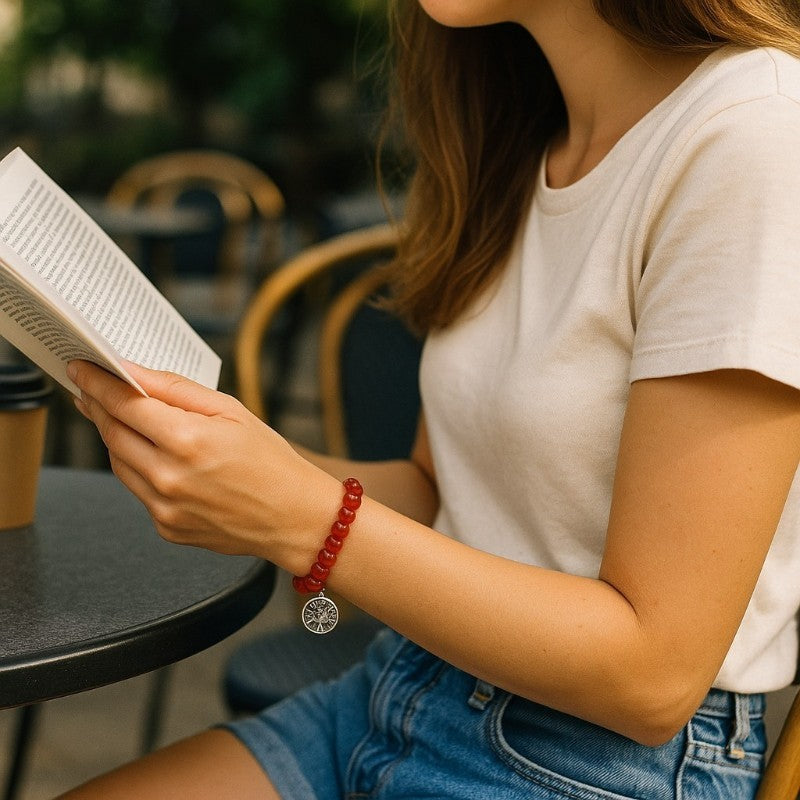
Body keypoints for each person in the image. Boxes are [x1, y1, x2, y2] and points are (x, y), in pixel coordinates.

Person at [59, 0, 800, 798]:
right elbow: (437, 491)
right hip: (401, 686)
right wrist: (225, 461)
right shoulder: (525, 138)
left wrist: (303, 518)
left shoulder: (754, 132)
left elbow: (652, 678)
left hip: (594, 764)